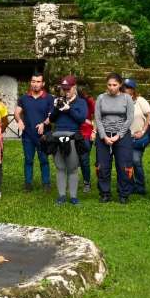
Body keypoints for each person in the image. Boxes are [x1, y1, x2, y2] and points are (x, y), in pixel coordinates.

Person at [47, 76, 88, 205]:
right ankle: (61, 196)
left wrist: (69, 109)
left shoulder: (81, 102)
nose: (66, 91)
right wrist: (56, 108)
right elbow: (52, 119)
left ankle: (74, 197)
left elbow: (81, 119)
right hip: (58, 136)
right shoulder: (58, 100)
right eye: (64, 89)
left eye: (68, 89)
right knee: (60, 167)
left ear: (74, 88)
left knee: (72, 167)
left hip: (72, 137)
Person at [95, 73, 134, 203]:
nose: (111, 87)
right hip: (104, 135)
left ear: (120, 85)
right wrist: (103, 136)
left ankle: (123, 194)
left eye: (114, 85)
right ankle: (105, 193)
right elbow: (98, 118)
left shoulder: (127, 98)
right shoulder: (101, 98)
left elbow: (129, 119)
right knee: (102, 166)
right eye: (109, 85)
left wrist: (118, 135)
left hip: (122, 135)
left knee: (124, 166)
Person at [14, 73, 53, 192]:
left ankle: (46, 183)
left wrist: (44, 123)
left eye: (38, 82)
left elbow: (52, 116)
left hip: (44, 136)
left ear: (43, 83)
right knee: (28, 160)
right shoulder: (24, 98)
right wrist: (19, 120)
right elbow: (17, 112)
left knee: (44, 160)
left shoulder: (49, 98)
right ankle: (28, 184)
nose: (35, 84)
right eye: (33, 81)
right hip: (28, 135)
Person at [122, 78, 150, 196]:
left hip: (138, 137)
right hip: (124, 137)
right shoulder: (119, 101)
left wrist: (143, 130)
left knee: (135, 161)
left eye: (128, 87)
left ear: (133, 90)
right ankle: (130, 185)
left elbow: (149, 115)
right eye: (124, 87)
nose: (125, 89)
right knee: (126, 162)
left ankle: (140, 186)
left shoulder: (140, 100)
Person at [77, 85, 96, 193]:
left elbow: (95, 114)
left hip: (86, 133)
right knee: (73, 158)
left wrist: (93, 127)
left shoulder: (89, 100)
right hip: (74, 132)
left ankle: (86, 182)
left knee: (84, 159)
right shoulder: (70, 100)